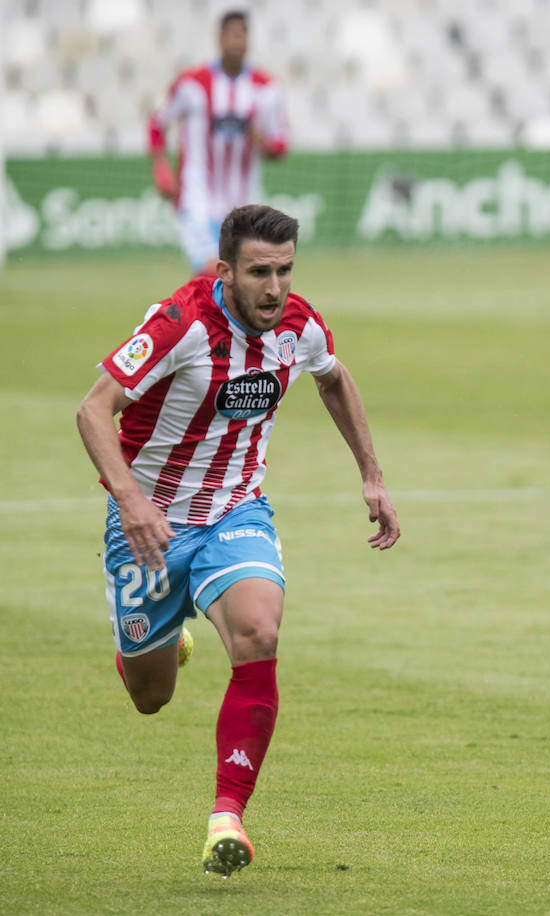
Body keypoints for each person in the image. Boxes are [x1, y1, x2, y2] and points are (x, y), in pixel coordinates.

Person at [75, 204, 400, 877]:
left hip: (235, 512)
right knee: (150, 695)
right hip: (150, 525)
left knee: (259, 632)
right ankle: (164, 638)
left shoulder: (299, 324)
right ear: (225, 270)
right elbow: (92, 408)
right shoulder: (181, 323)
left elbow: (334, 378)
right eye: (259, 272)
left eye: (284, 271)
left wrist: (372, 475)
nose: (274, 288)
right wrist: (130, 500)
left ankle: (228, 816)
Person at [149, 10, 288, 276]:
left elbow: (281, 146)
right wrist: (161, 167)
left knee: (242, 282)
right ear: (220, 39)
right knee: (213, 273)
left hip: (244, 202)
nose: (237, 41)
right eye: (231, 34)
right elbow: (157, 124)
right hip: (197, 196)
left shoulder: (266, 89)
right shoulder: (192, 84)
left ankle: (203, 319)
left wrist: (265, 143)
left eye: (242, 35)